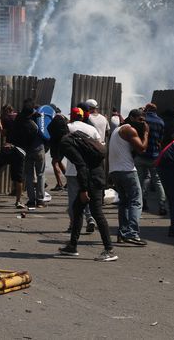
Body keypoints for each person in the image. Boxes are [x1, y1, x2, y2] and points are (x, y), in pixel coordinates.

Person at [58, 110, 117, 262]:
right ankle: (72, 246)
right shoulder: (76, 135)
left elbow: (81, 166)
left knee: (96, 212)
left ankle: (109, 250)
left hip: (93, 178)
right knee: (77, 209)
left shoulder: (66, 142)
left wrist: (84, 189)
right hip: (96, 174)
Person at [108, 109, 149, 246]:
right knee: (136, 201)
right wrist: (146, 133)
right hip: (127, 171)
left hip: (115, 171)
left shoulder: (118, 130)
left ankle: (123, 232)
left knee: (124, 203)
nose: (143, 123)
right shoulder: (129, 130)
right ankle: (132, 233)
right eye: (140, 120)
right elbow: (142, 148)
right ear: (132, 118)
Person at [65, 107, 98, 233]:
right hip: (88, 169)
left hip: (73, 170)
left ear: (72, 116)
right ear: (83, 116)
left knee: (73, 199)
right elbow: (100, 145)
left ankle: (74, 224)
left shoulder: (69, 128)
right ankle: (90, 219)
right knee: (87, 196)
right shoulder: (92, 129)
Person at [138, 103, 167, 216]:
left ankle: (141, 203)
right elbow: (160, 140)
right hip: (154, 156)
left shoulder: (143, 120)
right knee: (158, 181)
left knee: (141, 179)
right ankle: (162, 205)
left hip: (141, 155)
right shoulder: (161, 121)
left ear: (147, 109)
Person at [16, 101, 46, 208]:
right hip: (39, 149)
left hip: (27, 150)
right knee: (40, 174)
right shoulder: (38, 120)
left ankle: (31, 200)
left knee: (29, 175)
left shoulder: (21, 120)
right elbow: (45, 132)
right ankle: (40, 200)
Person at [46, 105, 68, 192]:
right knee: (58, 161)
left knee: (54, 162)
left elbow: (49, 129)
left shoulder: (56, 119)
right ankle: (68, 181)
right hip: (63, 144)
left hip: (57, 145)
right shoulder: (64, 118)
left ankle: (59, 184)